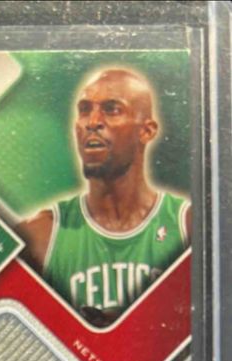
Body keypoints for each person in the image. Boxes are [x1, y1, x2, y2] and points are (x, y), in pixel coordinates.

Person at [18, 69, 191, 326]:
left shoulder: (188, 227)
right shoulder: (40, 236)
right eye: (85, 110)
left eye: (112, 110)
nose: (93, 122)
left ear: (146, 131)